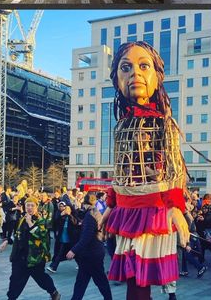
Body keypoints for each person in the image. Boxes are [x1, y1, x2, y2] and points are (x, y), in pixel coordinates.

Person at [103, 41, 189, 300]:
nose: (135, 74)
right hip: (127, 208)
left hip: (152, 208)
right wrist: (109, 205)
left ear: (157, 76)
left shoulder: (164, 124)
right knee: (132, 276)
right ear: (116, 78)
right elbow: (120, 172)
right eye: (126, 67)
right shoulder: (121, 126)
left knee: (140, 277)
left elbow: (174, 169)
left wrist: (175, 208)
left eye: (144, 66)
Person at [2, 197, 61, 300]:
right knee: (15, 280)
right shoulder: (22, 219)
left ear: (36, 207)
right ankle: (11, 298)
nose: (29, 208)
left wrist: (30, 223)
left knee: (41, 279)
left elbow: (41, 235)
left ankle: (53, 292)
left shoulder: (41, 220)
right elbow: (17, 234)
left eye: (32, 205)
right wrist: (7, 240)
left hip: (35, 258)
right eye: (27, 205)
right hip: (20, 257)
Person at [66, 193, 113, 300]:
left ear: (85, 203)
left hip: (91, 254)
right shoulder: (95, 213)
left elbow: (87, 236)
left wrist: (73, 250)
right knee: (85, 281)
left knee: (94, 281)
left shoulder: (90, 215)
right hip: (93, 253)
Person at [47, 202, 79, 272]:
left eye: (63, 206)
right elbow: (55, 221)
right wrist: (61, 215)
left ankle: (53, 266)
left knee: (74, 252)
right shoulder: (59, 213)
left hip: (71, 237)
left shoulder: (72, 214)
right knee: (60, 251)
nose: (62, 208)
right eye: (60, 206)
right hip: (62, 236)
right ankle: (53, 266)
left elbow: (75, 222)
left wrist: (70, 215)